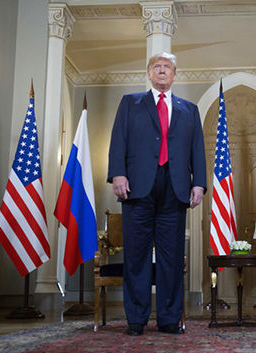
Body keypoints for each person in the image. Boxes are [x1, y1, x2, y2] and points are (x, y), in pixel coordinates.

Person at [108, 52, 206, 336]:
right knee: (136, 256)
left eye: (167, 67)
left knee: (171, 257)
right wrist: (118, 173)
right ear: (149, 73)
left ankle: (168, 319)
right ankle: (136, 320)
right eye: (157, 67)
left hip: (175, 189)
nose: (162, 71)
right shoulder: (130, 102)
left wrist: (197, 183)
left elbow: (197, 149)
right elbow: (119, 139)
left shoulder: (189, 109)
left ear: (174, 74)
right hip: (137, 187)